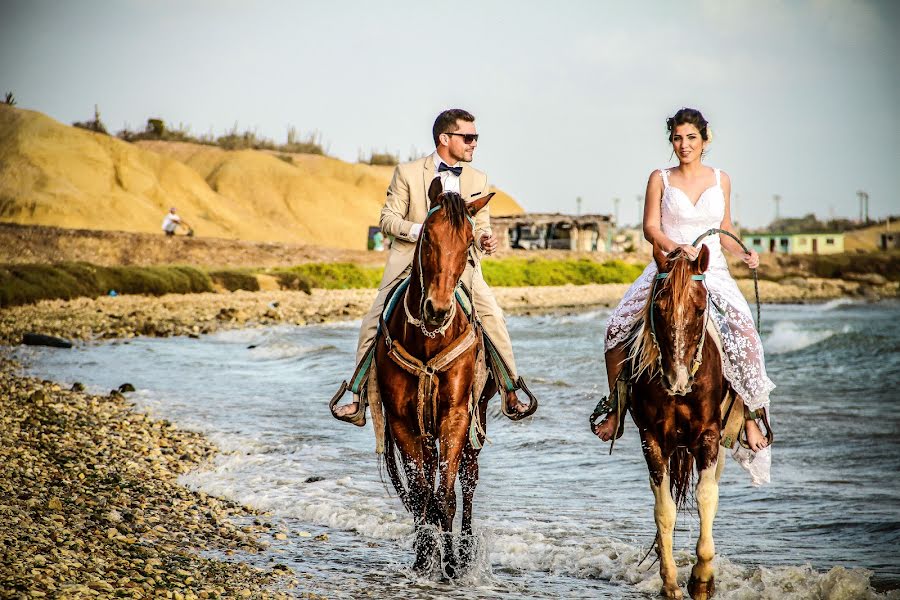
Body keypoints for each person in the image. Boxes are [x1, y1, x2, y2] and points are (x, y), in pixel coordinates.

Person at [592, 108, 774, 480]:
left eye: (691, 138)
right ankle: (615, 407)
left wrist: (744, 254)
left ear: (705, 140)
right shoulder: (659, 178)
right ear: (671, 141)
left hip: (713, 272)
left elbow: (724, 229)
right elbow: (649, 228)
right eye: (677, 138)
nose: (683, 145)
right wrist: (677, 247)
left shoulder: (721, 179)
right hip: (668, 268)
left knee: (746, 338)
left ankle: (752, 417)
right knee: (615, 329)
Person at [332, 108, 537, 422]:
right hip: (412, 264)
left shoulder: (478, 179)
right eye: (468, 137)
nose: (474, 144)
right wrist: (422, 232)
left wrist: (484, 240)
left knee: (492, 315)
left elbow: (480, 224)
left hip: (461, 268)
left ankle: (510, 390)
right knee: (374, 317)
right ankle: (358, 397)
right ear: (445, 138)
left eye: (476, 138)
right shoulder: (408, 172)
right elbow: (387, 219)